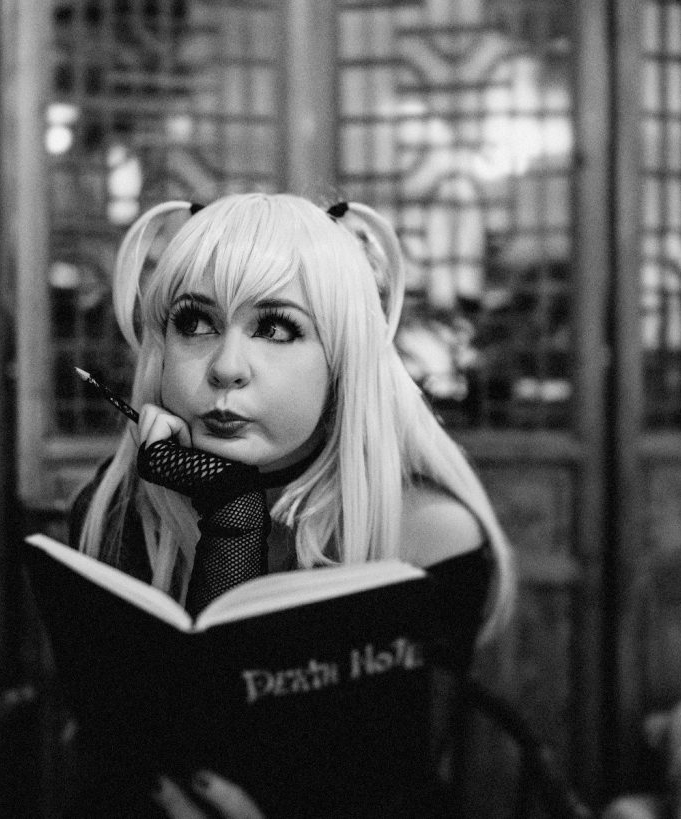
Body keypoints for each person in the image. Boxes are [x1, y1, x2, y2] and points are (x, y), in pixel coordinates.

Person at [68, 192, 515, 817]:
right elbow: (128, 757)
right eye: (194, 323)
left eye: (276, 328)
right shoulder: (115, 512)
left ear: (343, 359)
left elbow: (404, 785)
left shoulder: (429, 535)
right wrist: (230, 513)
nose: (227, 367)